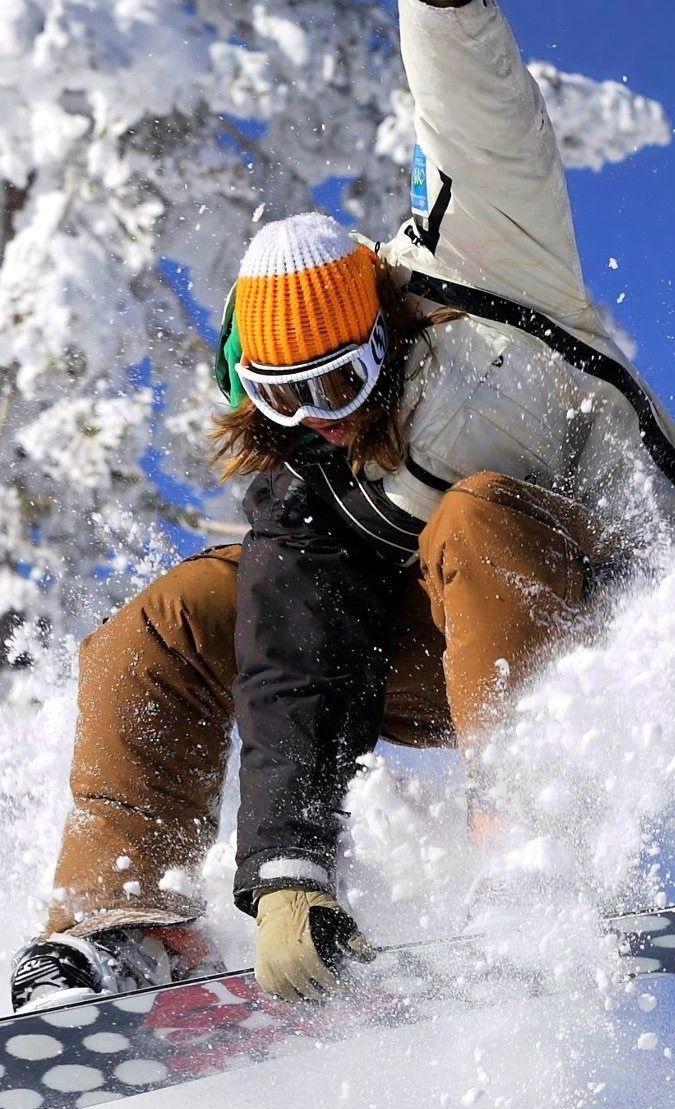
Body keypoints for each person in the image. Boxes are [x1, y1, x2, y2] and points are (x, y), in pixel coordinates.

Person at [11, 0, 675, 1010]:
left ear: (385, 333)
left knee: (476, 512)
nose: (318, 417)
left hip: (615, 611)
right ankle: (125, 923)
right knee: (171, 619)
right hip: (447, 656)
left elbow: (480, 113)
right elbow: (296, 663)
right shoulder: (308, 475)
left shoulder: (490, 270)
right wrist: (290, 873)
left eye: (338, 380)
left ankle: (532, 852)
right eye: (284, 397)